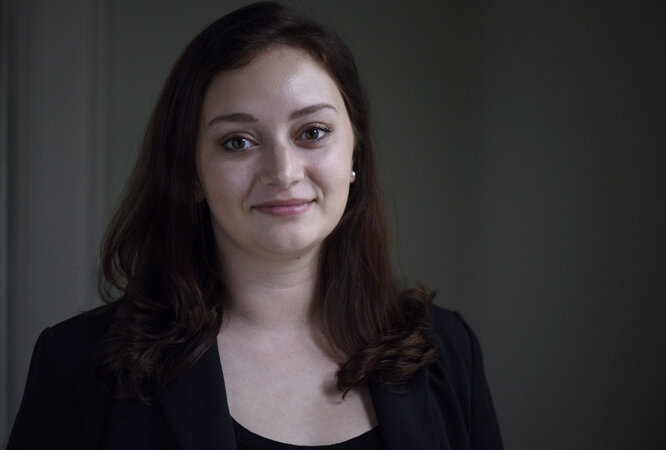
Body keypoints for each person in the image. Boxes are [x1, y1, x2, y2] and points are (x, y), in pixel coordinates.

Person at [8, 2, 503, 449]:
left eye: (313, 132)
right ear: (191, 172)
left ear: (355, 155)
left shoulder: (449, 350)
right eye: (238, 142)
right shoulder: (78, 366)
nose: (283, 172)